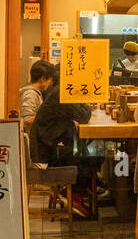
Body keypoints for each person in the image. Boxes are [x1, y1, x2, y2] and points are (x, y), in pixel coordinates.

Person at [30, 69, 96, 217]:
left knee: (89, 150)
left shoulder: (63, 91)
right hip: (45, 154)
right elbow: (84, 116)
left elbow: (82, 113)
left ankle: (83, 189)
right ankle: (73, 194)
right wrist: (83, 99)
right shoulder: (63, 93)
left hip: (47, 147)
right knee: (88, 155)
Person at [19, 60, 56, 132]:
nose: (50, 84)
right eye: (50, 80)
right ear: (42, 79)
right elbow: (27, 120)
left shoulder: (36, 93)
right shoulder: (31, 94)